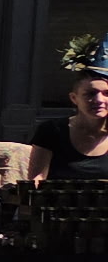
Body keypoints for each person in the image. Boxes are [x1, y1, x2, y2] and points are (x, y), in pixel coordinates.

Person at [29, 43, 108, 181]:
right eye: (90, 94)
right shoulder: (51, 131)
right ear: (74, 98)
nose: (99, 100)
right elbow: (36, 181)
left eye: (106, 93)